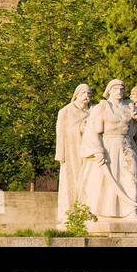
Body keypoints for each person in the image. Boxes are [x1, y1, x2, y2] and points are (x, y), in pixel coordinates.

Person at [79, 79, 137, 221]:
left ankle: (131, 211)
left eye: (122, 88)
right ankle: (102, 213)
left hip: (126, 146)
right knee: (105, 182)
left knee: (131, 176)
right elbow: (92, 131)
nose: (120, 91)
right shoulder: (101, 107)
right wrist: (97, 150)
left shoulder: (130, 107)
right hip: (108, 147)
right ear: (109, 90)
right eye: (116, 88)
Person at [54, 83, 91, 227]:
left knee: (87, 181)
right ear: (77, 95)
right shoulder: (66, 111)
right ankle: (70, 215)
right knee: (71, 182)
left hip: (88, 153)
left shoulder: (93, 111)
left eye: (89, 94)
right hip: (71, 152)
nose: (86, 97)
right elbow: (61, 133)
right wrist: (79, 128)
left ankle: (87, 212)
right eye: (83, 94)